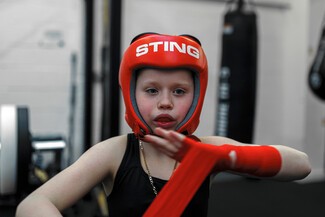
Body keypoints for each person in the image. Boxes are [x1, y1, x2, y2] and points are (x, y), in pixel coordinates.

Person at [16, 33, 311, 217]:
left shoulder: (207, 149)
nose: (166, 102)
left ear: (196, 97)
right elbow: (32, 204)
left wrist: (223, 157)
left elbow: (301, 165)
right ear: (131, 94)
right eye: (152, 90)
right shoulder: (114, 153)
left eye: (179, 91)